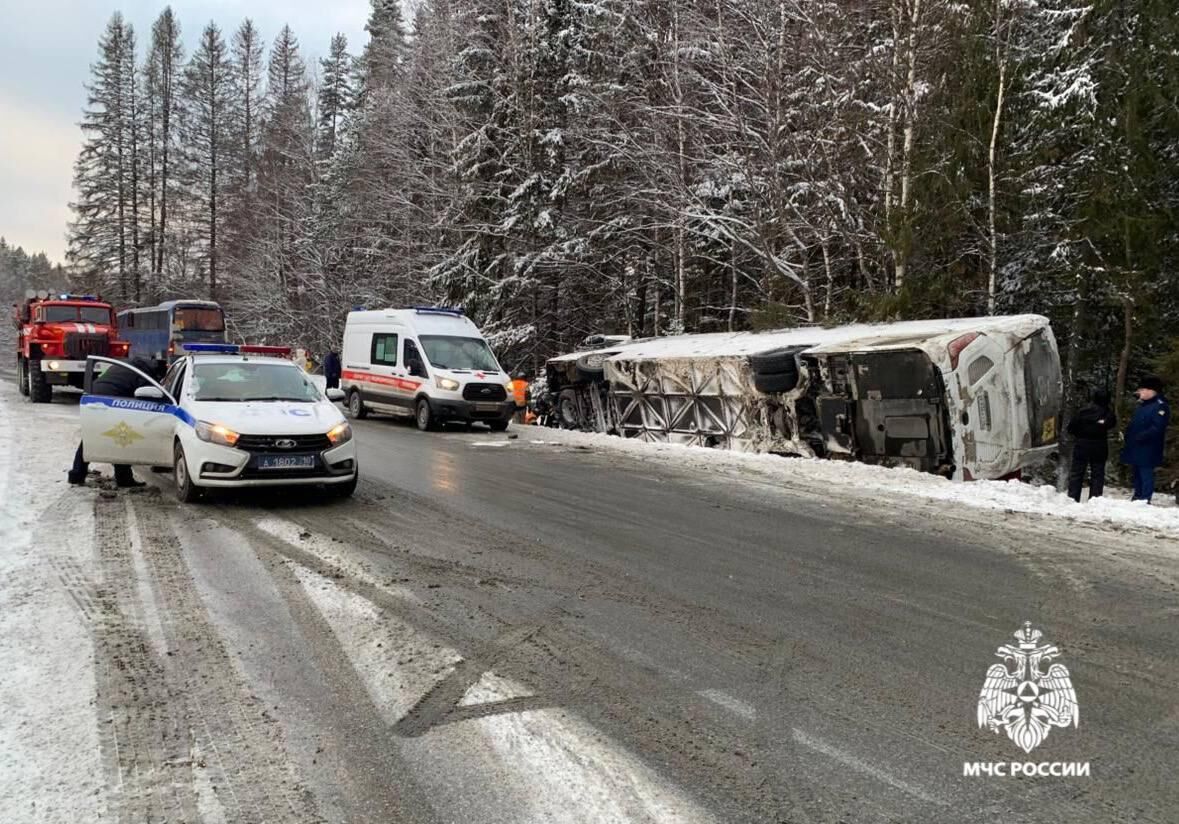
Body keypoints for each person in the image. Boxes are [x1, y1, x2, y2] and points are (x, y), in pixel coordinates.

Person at [67, 357, 157, 488]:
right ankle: (124, 478)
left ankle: (76, 475)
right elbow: (144, 396)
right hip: (113, 401)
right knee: (121, 438)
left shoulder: (120, 366)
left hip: (93, 398)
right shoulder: (142, 374)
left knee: (90, 438)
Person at [1120, 375, 1170, 503]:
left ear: (1151, 391)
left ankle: (1145, 498)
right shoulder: (1143, 405)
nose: (1139, 392)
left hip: (1148, 446)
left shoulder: (1160, 406)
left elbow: (1157, 427)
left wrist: (1142, 436)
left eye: (1142, 390)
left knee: (1146, 472)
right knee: (1136, 471)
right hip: (1136, 445)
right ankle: (1137, 495)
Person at [1066, 388, 1116, 502]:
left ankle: (1073, 497)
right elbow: (1112, 424)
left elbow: (1071, 427)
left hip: (1082, 443)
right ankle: (1095, 498)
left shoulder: (1083, 411)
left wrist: (1080, 434)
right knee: (1098, 473)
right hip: (1100, 445)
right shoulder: (1108, 413)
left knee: (1077, 472)